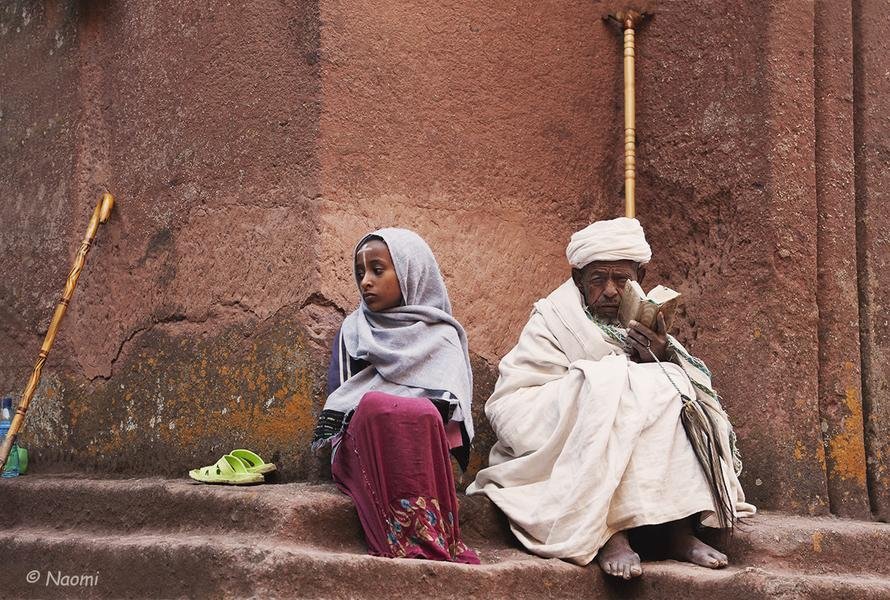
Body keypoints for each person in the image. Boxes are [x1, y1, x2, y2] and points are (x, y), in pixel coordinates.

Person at [467, 217, 754, 579]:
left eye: (622, 280)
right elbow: (514, 401)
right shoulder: (552, 319)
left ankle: (678, 531)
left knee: (669, 382)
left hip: (618, 408)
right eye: (598, 279)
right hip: (553, 423)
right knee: (611, 384)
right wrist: (610, 376)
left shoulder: (642, 323)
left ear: (640, 281)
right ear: (578, 281)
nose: (610, 291)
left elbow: (699, 387)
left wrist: (660, 356)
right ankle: (610, 535)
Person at [312, 228, 479, 564]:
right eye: (360, 273)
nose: (366, 282)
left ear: (410, 272)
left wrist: (401, 412)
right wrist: (388, 409)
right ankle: (398, 533)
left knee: (414, 413)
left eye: (377, 270)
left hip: (425, 458)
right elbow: (343, 399)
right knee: (376, 405)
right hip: (363, 450)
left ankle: (425, 531)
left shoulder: (443, 335)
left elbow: (450, 413)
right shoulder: (354, 330)